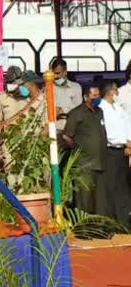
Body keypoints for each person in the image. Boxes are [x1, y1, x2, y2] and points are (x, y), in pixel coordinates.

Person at [62, 82, 107, 216]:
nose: (97, 98)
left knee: (99, 200)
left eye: (98, 95)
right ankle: (83, 228)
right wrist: (78, 148)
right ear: (86, 97)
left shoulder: (99, 112)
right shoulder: (76, 113)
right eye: (94, 96)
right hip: (84, 164)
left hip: (100, 163)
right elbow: (66, 136)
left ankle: (97, 227)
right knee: (84, 200)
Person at [98, 79, 131, 226]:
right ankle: (112, 221)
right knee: (111, 186)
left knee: (123, 186)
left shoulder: (118, 108)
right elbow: (108, 133)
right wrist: (125, 141)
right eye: (116, 89)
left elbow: (126, 125)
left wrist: (128, 142)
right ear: (110, 91)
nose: (118, 92)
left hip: (123, 151)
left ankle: (123, 220)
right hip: (110, 151)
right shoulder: (102, 109)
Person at [50, 58, 82, 134]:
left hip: (72, 128)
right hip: (54, 128)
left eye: (58, 73)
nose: (55, 76)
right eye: (53, 73)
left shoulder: (76, 87)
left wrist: (62, 110)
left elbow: (79, 108)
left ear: (65, 72)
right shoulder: (48, 88)